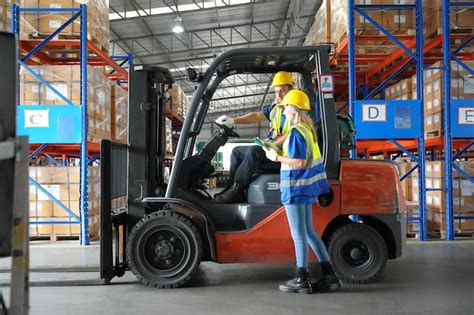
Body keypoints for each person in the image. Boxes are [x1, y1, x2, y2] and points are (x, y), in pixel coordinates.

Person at [262, 90, 341, 294]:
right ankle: (329, 275)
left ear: (294, 109)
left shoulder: (297, 132)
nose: (284, 110)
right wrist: (274, 147)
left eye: (286, 106)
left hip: (295, 186)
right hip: (305, 187)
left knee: (298, 234)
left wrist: (275, 158)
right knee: (309, 232)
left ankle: (301, 279)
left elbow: (299, 162)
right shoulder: (305, 129)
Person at [214, 71, 294, 203]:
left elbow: (292, 133)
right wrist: (233, 120)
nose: (279, 95)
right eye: (276, 91)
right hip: (271, 151)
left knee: (254, 152)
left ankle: (238, 188)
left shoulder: (293, 110)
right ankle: (231, 187)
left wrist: (272, 145)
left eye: (283, 91)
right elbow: (256, 116)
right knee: (237, 151)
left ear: (290, 90)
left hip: (281, 157)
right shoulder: (276, 108)